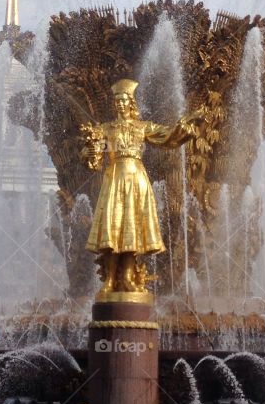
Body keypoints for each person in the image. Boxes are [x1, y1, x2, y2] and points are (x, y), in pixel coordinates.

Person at [80, 78, 201, 294]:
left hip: (136, 180)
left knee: (131, 227)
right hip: (114, 178)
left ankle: (127, 276)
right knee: (112, 226)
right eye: (116, 100)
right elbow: (94, 159)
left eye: (123, 100)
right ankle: (109, 279)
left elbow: (167, 137)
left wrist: (184, 127)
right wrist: (88, 152)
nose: (119, 104)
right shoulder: (106, 129)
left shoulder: (142, 127)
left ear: (131, 103)